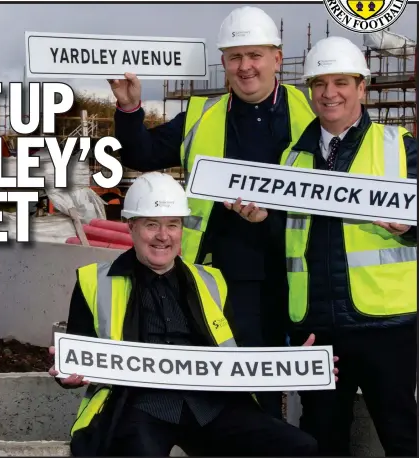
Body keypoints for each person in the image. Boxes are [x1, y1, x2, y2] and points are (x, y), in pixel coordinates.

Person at [109, 6, 316, 419]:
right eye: (235, 57)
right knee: (238, 391)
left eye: (255, 55)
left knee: (309, 392)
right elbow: (142, 154)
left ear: (277, 58)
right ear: (223, 62)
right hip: (222, 280)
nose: (246, 67)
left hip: (297, 276)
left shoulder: (312, 114)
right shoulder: (201, 117)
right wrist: (130, 109)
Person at [47, 172, 338, 457]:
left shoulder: (211, 281)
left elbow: (237, 354)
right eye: (152, 225)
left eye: (173, 225)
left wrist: (293, 365)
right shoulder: (94, 282)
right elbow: (78, 356)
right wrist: (67, 376)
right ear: (130, 226)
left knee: (298, 446)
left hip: (211, 404)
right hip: (139, 404)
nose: (163, 236)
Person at [232, 36, 417, 457]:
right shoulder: (292, 161)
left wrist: (409, 227)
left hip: (386, 327)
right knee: (321, 438)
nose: (329, 93)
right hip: (317, 329)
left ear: (361, 88)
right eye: (319, 84)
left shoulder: (399, 148)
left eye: (341, 82)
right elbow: (289, 240)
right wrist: (263, 221)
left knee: (402, 436)